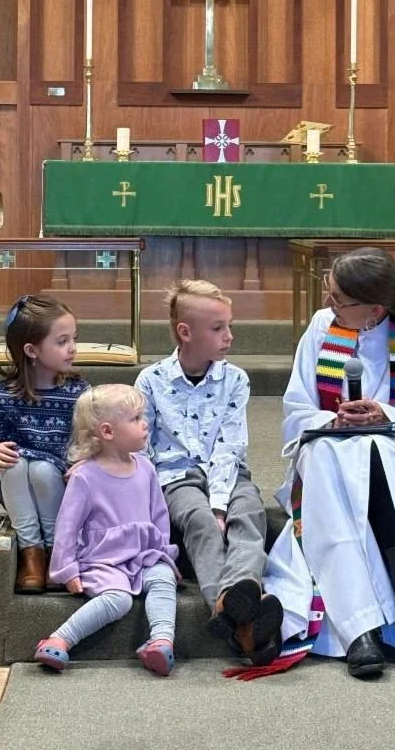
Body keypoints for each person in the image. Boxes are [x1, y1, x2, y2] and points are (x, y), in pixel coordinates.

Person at [259, 247, 395, 682]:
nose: (328, 304)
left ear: (376, 308)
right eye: (329, 292)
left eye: (339, 299)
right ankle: (360, 630)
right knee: (329, 456)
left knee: (377, 453)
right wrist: (331, 420)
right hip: (328, 447)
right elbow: (298, 410)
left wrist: (386, 416)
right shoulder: (323, 327)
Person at [135, 279, 282, 665]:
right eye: (218, 328)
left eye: (229, 326)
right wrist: (207, 511)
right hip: (176, 477)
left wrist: (221, 504)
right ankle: (238, 614)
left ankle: (231, 600)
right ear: (185, 333)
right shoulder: (151, 380)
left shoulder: (235, 379)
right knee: (199, 521)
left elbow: (230, 447)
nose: (229, 336)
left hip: (230, 473)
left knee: (248, 513)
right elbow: (143, 449)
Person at [34, 384, 180, 675]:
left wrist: (163, 553)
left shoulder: (146, 468)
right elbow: (67, 527)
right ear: (108, 431)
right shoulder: (85, 477)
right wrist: (66, 570)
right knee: (118, 599)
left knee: (163, 579)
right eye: (135, 418)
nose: (145, 423)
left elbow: (159, 515)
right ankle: (60, 639)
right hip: (104, 560)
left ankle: (162, 640)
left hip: (144, 555)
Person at [0, 294, 88, 593]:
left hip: (61, 482)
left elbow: (90, 443)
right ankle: (30, 553)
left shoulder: (79, 392)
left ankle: (57, 550)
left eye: (74, 338)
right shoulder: (5, 394)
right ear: (31, 350)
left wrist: (85, 462)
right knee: (14, 466)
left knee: (42, 470)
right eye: (62, 341)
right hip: (19, 485)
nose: (72, 348)